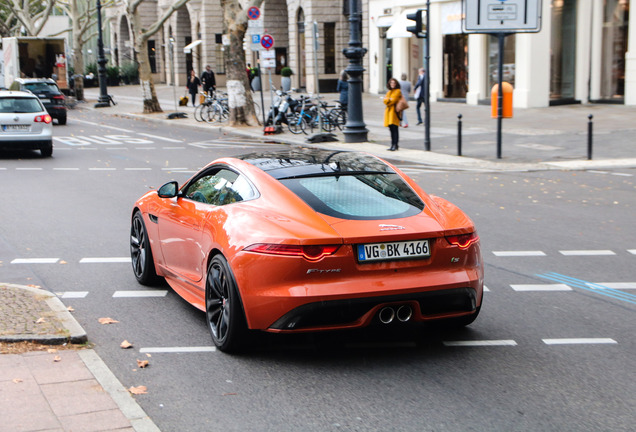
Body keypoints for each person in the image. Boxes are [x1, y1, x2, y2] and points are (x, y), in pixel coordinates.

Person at [383, 78, 402, 151]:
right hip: (389, 112)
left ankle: (395, 144)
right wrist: (388, 99)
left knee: (395, 129)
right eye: (391, 83)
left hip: (394, 112)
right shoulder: (389, 92)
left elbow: (393, 100)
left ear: (396, 84)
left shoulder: (398, 91)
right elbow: (385, 101)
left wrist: (388, 99)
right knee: (391, 129)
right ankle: (392, 144)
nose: (392, 84)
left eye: (394, 83)